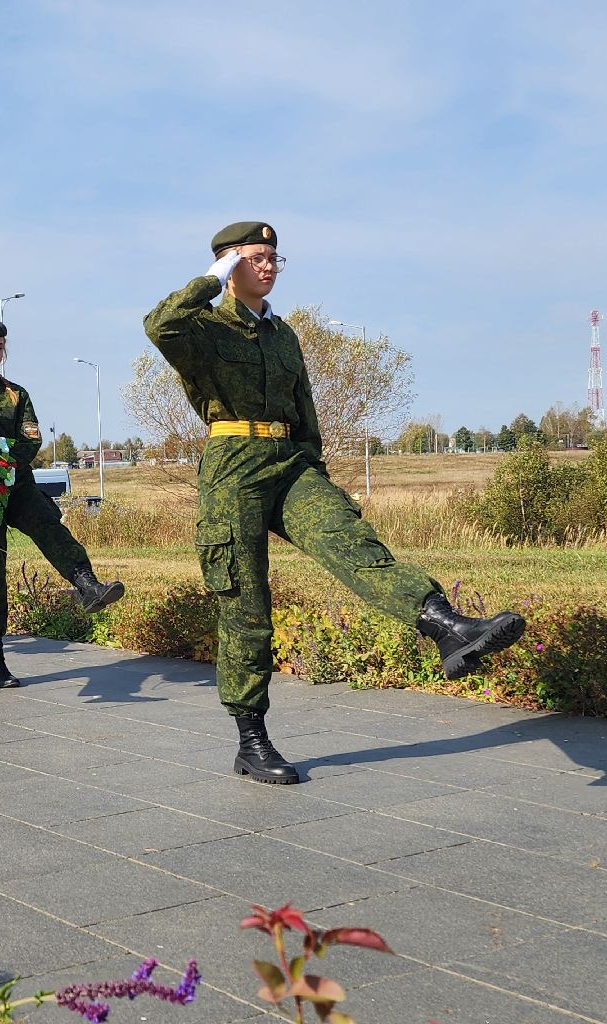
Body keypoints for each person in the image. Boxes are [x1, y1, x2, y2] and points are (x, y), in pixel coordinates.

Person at [145, 221, 526, 785]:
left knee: (352, 542)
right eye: (255, 258)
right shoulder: (202, 328)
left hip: (290, 461)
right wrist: (213, 276)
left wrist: (315, 473)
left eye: (275, 257)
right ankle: (252, 741)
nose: (269, 266)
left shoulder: (282, 335)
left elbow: (306, 411)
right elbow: (159, 325)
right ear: (229, 265)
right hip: (232, 464)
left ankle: (446, 626)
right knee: (244, 599)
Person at [0, 318, 124, 688]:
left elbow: (30, 443)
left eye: (0, 347)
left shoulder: (17, 395)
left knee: (49, 526)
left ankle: (87, 585)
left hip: (16, 485)